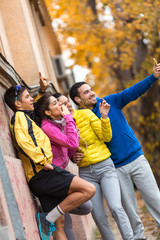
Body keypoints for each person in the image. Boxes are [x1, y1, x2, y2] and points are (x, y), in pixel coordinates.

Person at [69, 61, 160, 240]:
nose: (92, 93)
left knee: (154, 197)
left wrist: (153, 78)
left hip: (135, 158)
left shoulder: (109, 101)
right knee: (129, 208)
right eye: (86, 92)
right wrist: (74, 157)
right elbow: (74, 143)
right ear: (78, 100)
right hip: (114, 167)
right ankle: (139, 236)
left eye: (91, 89)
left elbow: (132, 91)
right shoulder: (77, 119)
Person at [4, 84, 96, 240]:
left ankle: (49, 218)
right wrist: (42, 162)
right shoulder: (19, 117)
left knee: (59, 225)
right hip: (43, 173)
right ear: (17, 104)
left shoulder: (26, 117)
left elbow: (40, 108)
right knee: (89, 190)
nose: (31, 99)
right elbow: (23, 142)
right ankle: (47, 218)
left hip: (40, 177)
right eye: (27, 97)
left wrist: (42, 91)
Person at [54, 93, 135, 240]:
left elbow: (106, 137)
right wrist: (73, 157)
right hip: (86, 172)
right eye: (62, 104)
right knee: (98, 215)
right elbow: (65, 151)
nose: (68, 106)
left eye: (68, 102)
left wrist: (104, 117)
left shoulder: (86, 114)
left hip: (105, 166)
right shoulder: (59, 127)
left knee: (116, 207)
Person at [34, 92, 92, 240]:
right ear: (47, 112)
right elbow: (71, 143)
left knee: (63, 222)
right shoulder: (47, 127)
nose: (60, 105)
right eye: (55, 103)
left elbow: (69, 149)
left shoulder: (58, 125)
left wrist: (74, 135)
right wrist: (69, 118)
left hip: (58, 174)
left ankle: (50, 216)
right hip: (52, 176)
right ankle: (48, 217)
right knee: (63, 223)